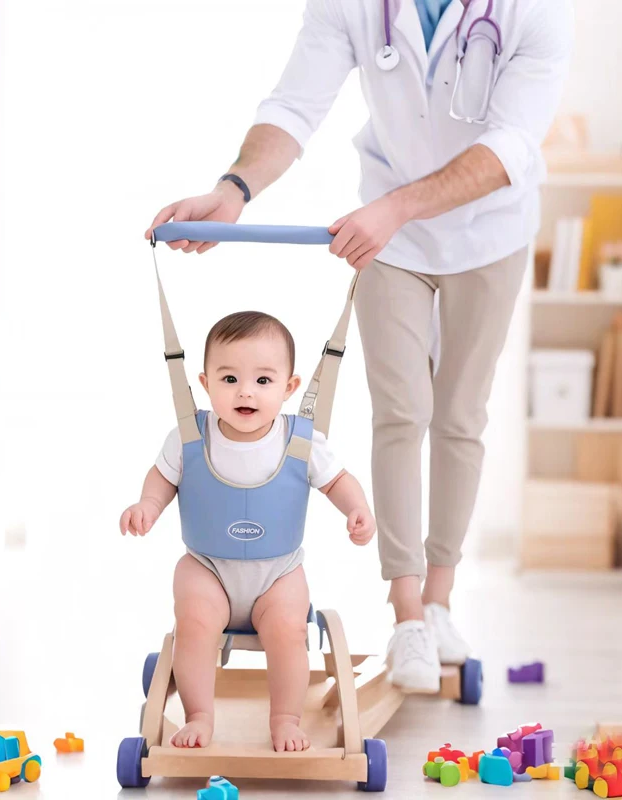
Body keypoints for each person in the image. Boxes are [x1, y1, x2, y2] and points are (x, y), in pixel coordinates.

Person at [145, 0, 573, 692]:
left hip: (490, 231)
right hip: (389, 235)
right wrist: (234, 189)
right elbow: (294, 105)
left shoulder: (537, 13)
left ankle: (439, 602)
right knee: (402, 410)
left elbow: (512, 149)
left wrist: (399, 205)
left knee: (461, 415)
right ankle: (406, 615)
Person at [120, 312, 375, 751]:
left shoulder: (301, 440)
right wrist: (148, 505)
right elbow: (162, 479)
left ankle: (286, 718)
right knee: (195, 621)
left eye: (262, 380)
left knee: (290, 631)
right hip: (207, 566)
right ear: (204, 383)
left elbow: (337, 480)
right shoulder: (188, 437)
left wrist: (357, 509)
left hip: (278, 572)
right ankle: (199, 714)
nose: (245, 391)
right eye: (230, 377)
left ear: (289, 388)